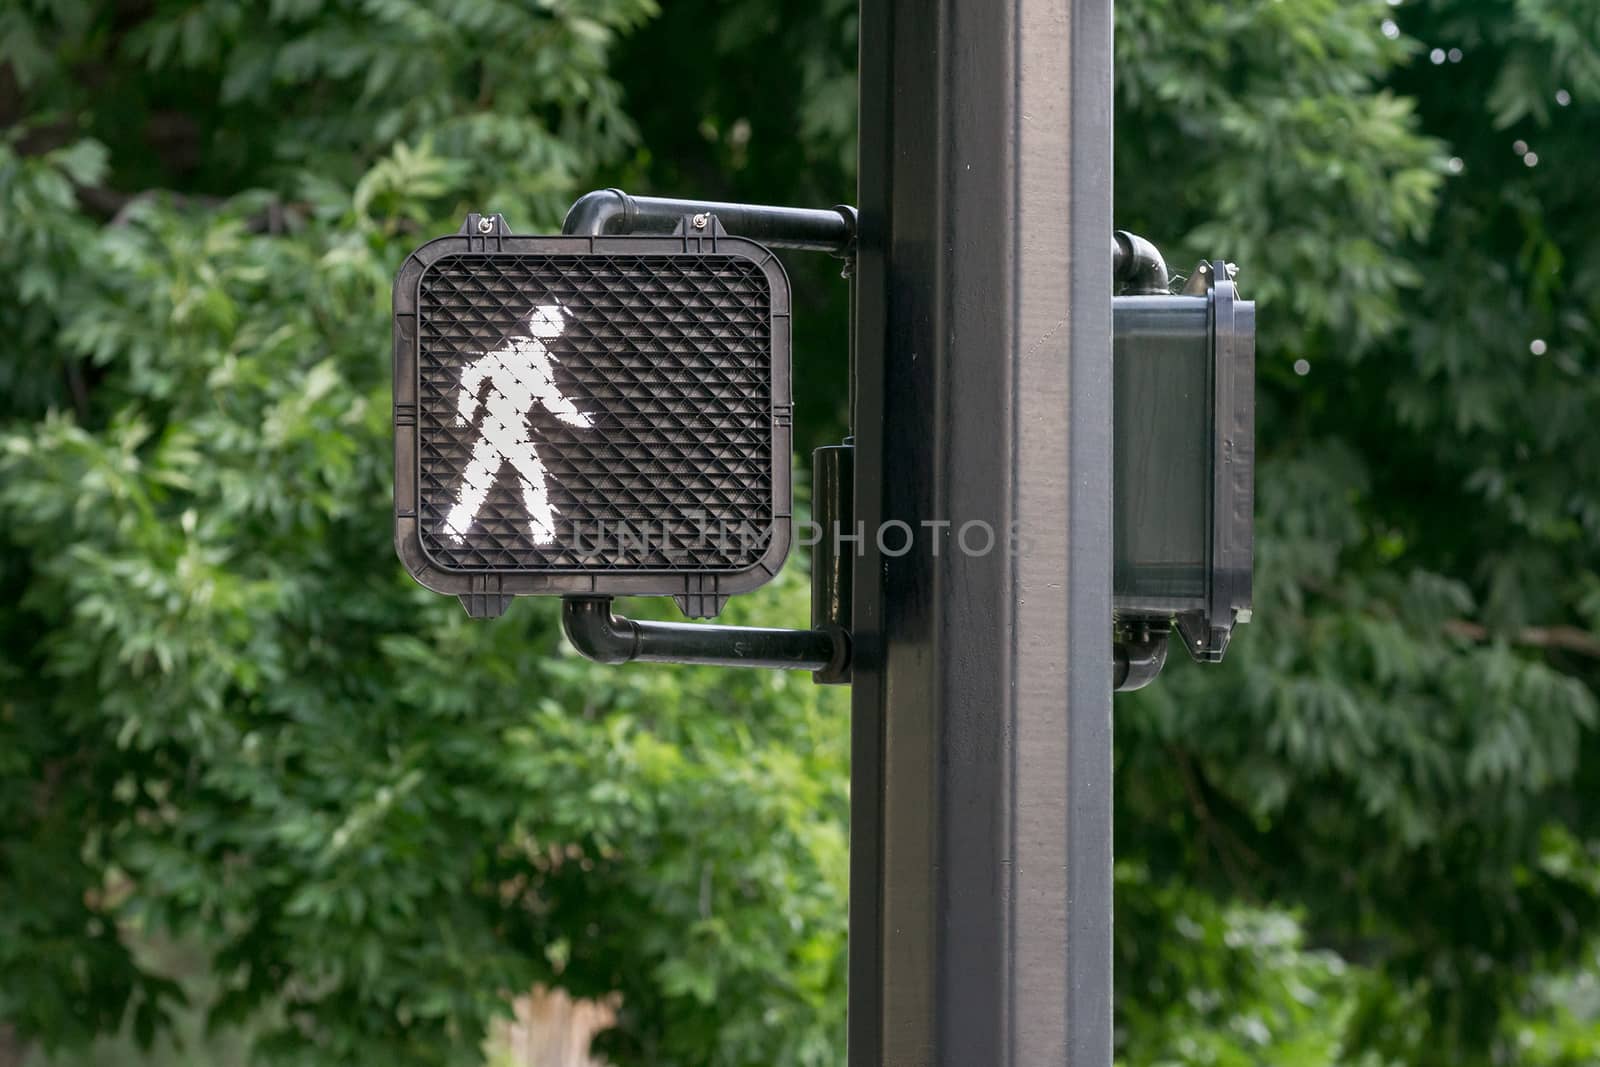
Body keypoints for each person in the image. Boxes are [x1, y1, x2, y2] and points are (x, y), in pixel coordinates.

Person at [442, 302, 594, 544]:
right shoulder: (523, 356)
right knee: (524, 481)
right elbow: (552, 400)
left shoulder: (525, 356)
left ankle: (456, 528)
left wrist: (465, 413)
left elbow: (472, 373)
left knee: (490, 481)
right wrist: (464, 413)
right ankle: (543, 537)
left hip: (508, 429)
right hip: (501, 428)